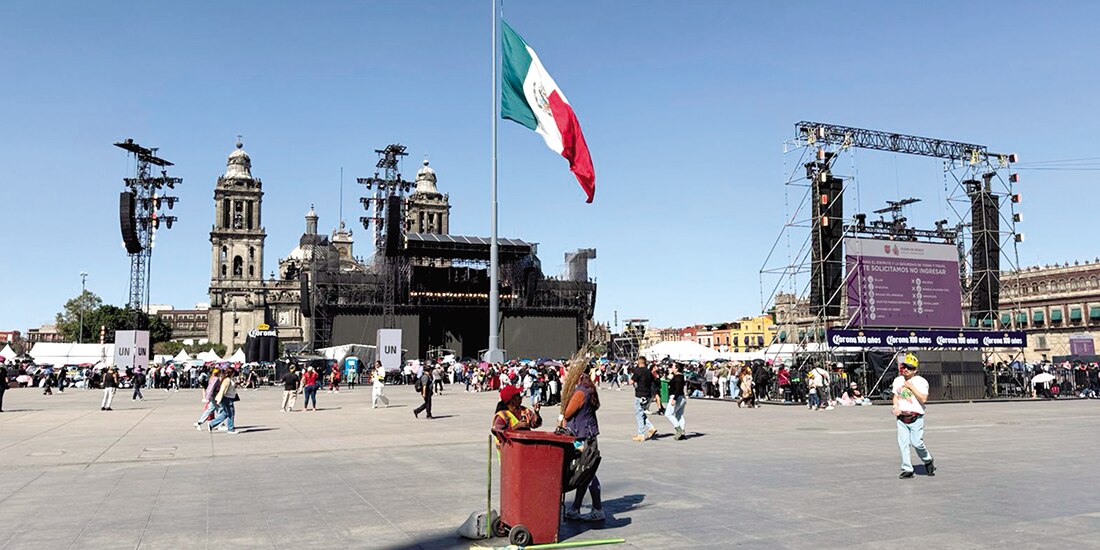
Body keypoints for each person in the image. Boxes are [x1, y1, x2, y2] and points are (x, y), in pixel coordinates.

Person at [560, 366, 604, 522]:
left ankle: (597, 508)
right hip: (589, 435)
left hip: (581, 437)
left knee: (586, 471)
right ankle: (576, 508)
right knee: (584, 471)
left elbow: (568, 412)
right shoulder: (590, 389)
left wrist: (563, 412)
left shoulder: (580, 392)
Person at [892, 353, 935, 479]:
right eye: (904, 366)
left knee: (917, 443)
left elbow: (923, 399)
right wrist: (895, 406)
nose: (905, 369)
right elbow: (895, 396)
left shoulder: (921, 381)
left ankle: (927, 459)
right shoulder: (898, 380)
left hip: (915, 418)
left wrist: (911, 387)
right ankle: (907, 469)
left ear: (915, 370)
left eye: (909, 367)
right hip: (902, 418)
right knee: (903, 444)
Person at [630, 357, 657, 441]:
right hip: (648, 394)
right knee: (641, 412)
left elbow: (631, 381)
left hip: (640, 394)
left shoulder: (638, 371)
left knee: (639, 414)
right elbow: (653, 380)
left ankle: (641, 434)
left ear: (638, 362)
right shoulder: (649, 372)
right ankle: (651, 428)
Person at [208, 369, 239, 434]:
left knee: (225, 414)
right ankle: (230, 429)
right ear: (231, 373)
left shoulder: (228, 379)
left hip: (228, 398)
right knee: (231, 413)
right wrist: (220, 398)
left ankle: (211, 424)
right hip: (227, 398)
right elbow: (223, 390)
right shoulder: (227, 380)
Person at [664, 363, 687, 440]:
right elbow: (669, 381)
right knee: (679, 415)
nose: (670, 368)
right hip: (682, 397)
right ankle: (682, 432)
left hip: (676, 397)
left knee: (668, 414)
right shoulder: (680, 376)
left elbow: (678, 389)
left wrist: (674, 399)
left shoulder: (678, 377)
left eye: (672, 367)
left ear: (677, 369)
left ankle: (679, 430)